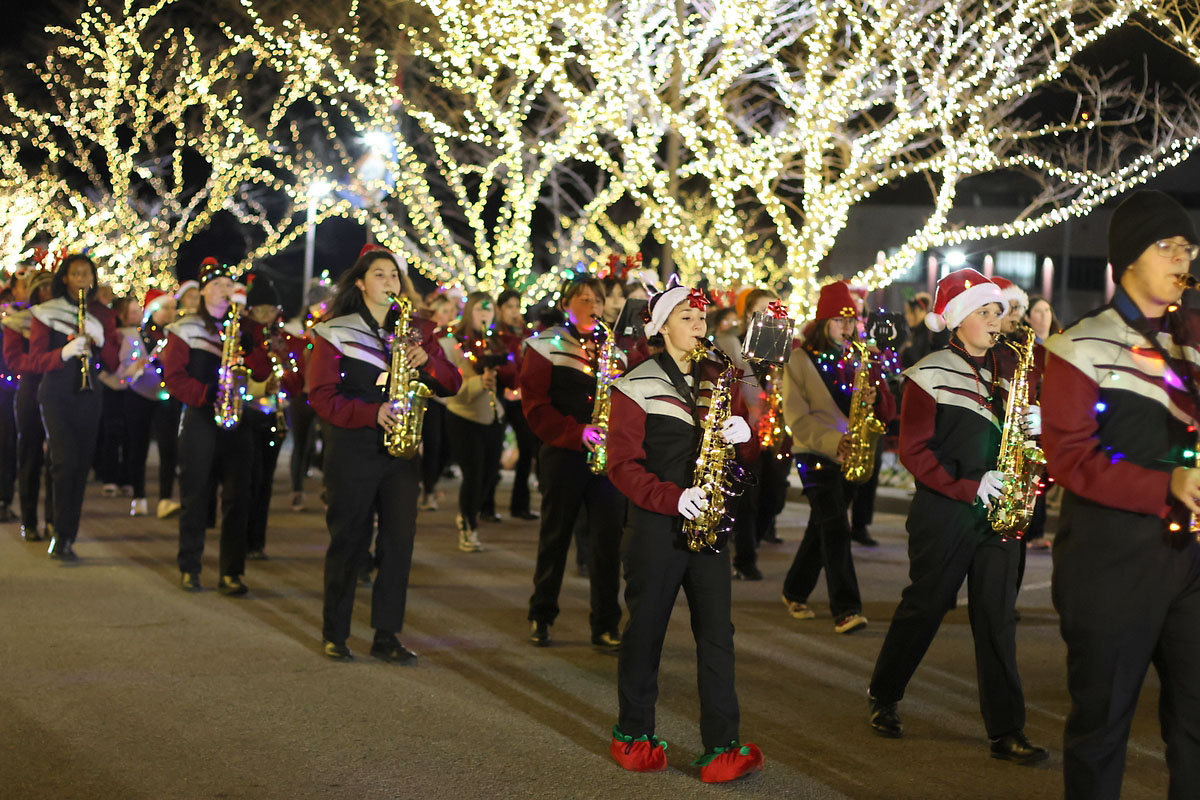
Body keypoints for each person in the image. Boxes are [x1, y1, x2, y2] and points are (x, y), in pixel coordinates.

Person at [1041, 190, 1200, 799]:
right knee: (1102, 727)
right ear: (1128, 258)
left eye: (1187, 245)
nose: (1181, 257)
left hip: (1190, 561)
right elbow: (1070, 457)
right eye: (1167, 245)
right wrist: (1167, 484)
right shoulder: (1080, 344)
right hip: (1110, 561)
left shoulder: (1190, 345)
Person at [866, 268, 1047, 765]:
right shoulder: (928, 373)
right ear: (960, 318)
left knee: (995, 621)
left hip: (998, 513)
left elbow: (1023, 432)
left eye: (998, 311)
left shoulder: (1012, 367)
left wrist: (1037, 422)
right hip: (945, 512)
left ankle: (1006, 730)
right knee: (925, 606)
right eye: (986, 312)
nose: (997, 319)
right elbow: (915, 452)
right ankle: (885, 694)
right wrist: (970, 486)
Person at [605, 277, 764, 783]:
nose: (699, 327)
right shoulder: (637, 382)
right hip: (656, 525)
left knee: (718, 635)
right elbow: (622, 465)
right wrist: (672, 498)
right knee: (646, 630)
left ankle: (723, 744)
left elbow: (747, 455)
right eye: (687, 318)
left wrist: (745, 436)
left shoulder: (720, 379)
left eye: (702, 319)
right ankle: (634, 732)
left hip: (711, 521)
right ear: (662, 326)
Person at [309, 245, 460, 663]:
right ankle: (334, 631)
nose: (390, 282)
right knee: (349, 539)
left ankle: (386, 635)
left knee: (399, 542)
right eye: (380, 274)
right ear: (360, 283)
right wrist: (370, 412)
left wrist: (427, 360)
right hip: (352, 446)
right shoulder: (334, 330)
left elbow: (453, 384)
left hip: (401, 451)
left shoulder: (418, 330)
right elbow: (321, 397)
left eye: (395, 275)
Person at [779, 281, 894, 633]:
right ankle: (846, 608)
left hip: (849, 453)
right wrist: (834, 441)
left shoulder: (855, 358)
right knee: (835, 527)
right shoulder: (799, 359)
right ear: (823, 320)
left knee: (822, 526)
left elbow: (871, 408)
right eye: (840, 320)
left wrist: (873, 396)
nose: (848, 328)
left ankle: (794, 590)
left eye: (852, 320)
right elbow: (796, 418)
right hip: (814, 452)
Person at [522, 275, 626, 650]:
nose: (592, 306)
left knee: (607, 544)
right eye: (583, 299)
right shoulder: (545, 344)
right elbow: (534, 404)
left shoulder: (614, 347)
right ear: (566, 303)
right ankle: (542, 615)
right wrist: (573, 432)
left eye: (597, 300)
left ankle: (605, 623)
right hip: (563, 454)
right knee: (555, 536)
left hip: (606, 459)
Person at [162, 258, 270, 593]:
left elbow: (263, 373)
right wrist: (207, 393)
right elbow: (174, 379)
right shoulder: (186, 328)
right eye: (219, 285)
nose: (226, 290)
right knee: (195, 494)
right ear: (204, 291)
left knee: (239, 498)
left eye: (229, 285)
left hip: (239, 420)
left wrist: (250, 349)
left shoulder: (244, 327)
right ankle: (189, 566)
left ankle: (231, 572)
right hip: (201, 419)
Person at [29, 254, 120, 561]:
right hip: (55, 393)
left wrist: (102, 340)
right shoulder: (46, 312)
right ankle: (57, 529)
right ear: (64, 278)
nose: (82, 278)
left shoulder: (103, 315)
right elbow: (36, 359)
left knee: (79, 466)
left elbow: (113, 362)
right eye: (75, 273)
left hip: (88, 395)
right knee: (63, 461)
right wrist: (64, 352)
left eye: (87, 274)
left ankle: (67, 533)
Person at [440, 291, 506, 551]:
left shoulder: (496, 343)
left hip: (493, 416)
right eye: (480, 309)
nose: (485, 315)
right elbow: (449, 387)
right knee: (473, 475)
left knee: (490, 475)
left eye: (489, 310)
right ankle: (469, 527)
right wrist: (479, 382)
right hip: (463, 417)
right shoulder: (453, 343)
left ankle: (471, 513)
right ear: (469, 312)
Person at [3, 269, 55, 541]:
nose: (46, 293)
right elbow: (13, 360)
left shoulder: (62, 320)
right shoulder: (17, 322)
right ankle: (30, 520)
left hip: (57, 389)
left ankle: (54, 521)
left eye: (51, 288)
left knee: (56, 457)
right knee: (30, 456)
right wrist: (39, 363)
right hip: (31, 389)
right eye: (41, 288)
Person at [120, 288, 179, 518]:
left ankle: (165, 498)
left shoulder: (176, 335)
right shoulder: (136, 335)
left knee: (169, 447)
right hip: (139, 393)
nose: (170, 313)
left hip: (167, 396)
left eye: (173, 308)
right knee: (138, 446)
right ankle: (139, 496)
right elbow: (123, 368)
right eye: (165, 308)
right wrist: (138, 365)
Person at [243, 274, 288, 559]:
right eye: (260, 310)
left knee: (266, 479)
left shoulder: (282, 339)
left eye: (270, 310)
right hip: (249, 413)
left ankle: (257, 540)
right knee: (250, 477)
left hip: (276, 415)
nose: (266, 316)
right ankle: (245, 537)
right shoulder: (244, 337)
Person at [494, 288, 538, 520]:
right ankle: (486, 506)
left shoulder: (527, 334)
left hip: (522, 398)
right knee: (492, 451)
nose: (513, 311)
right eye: (509, 307)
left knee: (527, 448)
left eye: (516, 306)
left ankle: (520, 505)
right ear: (500, 309)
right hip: (501, 395)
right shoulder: (494, 334)